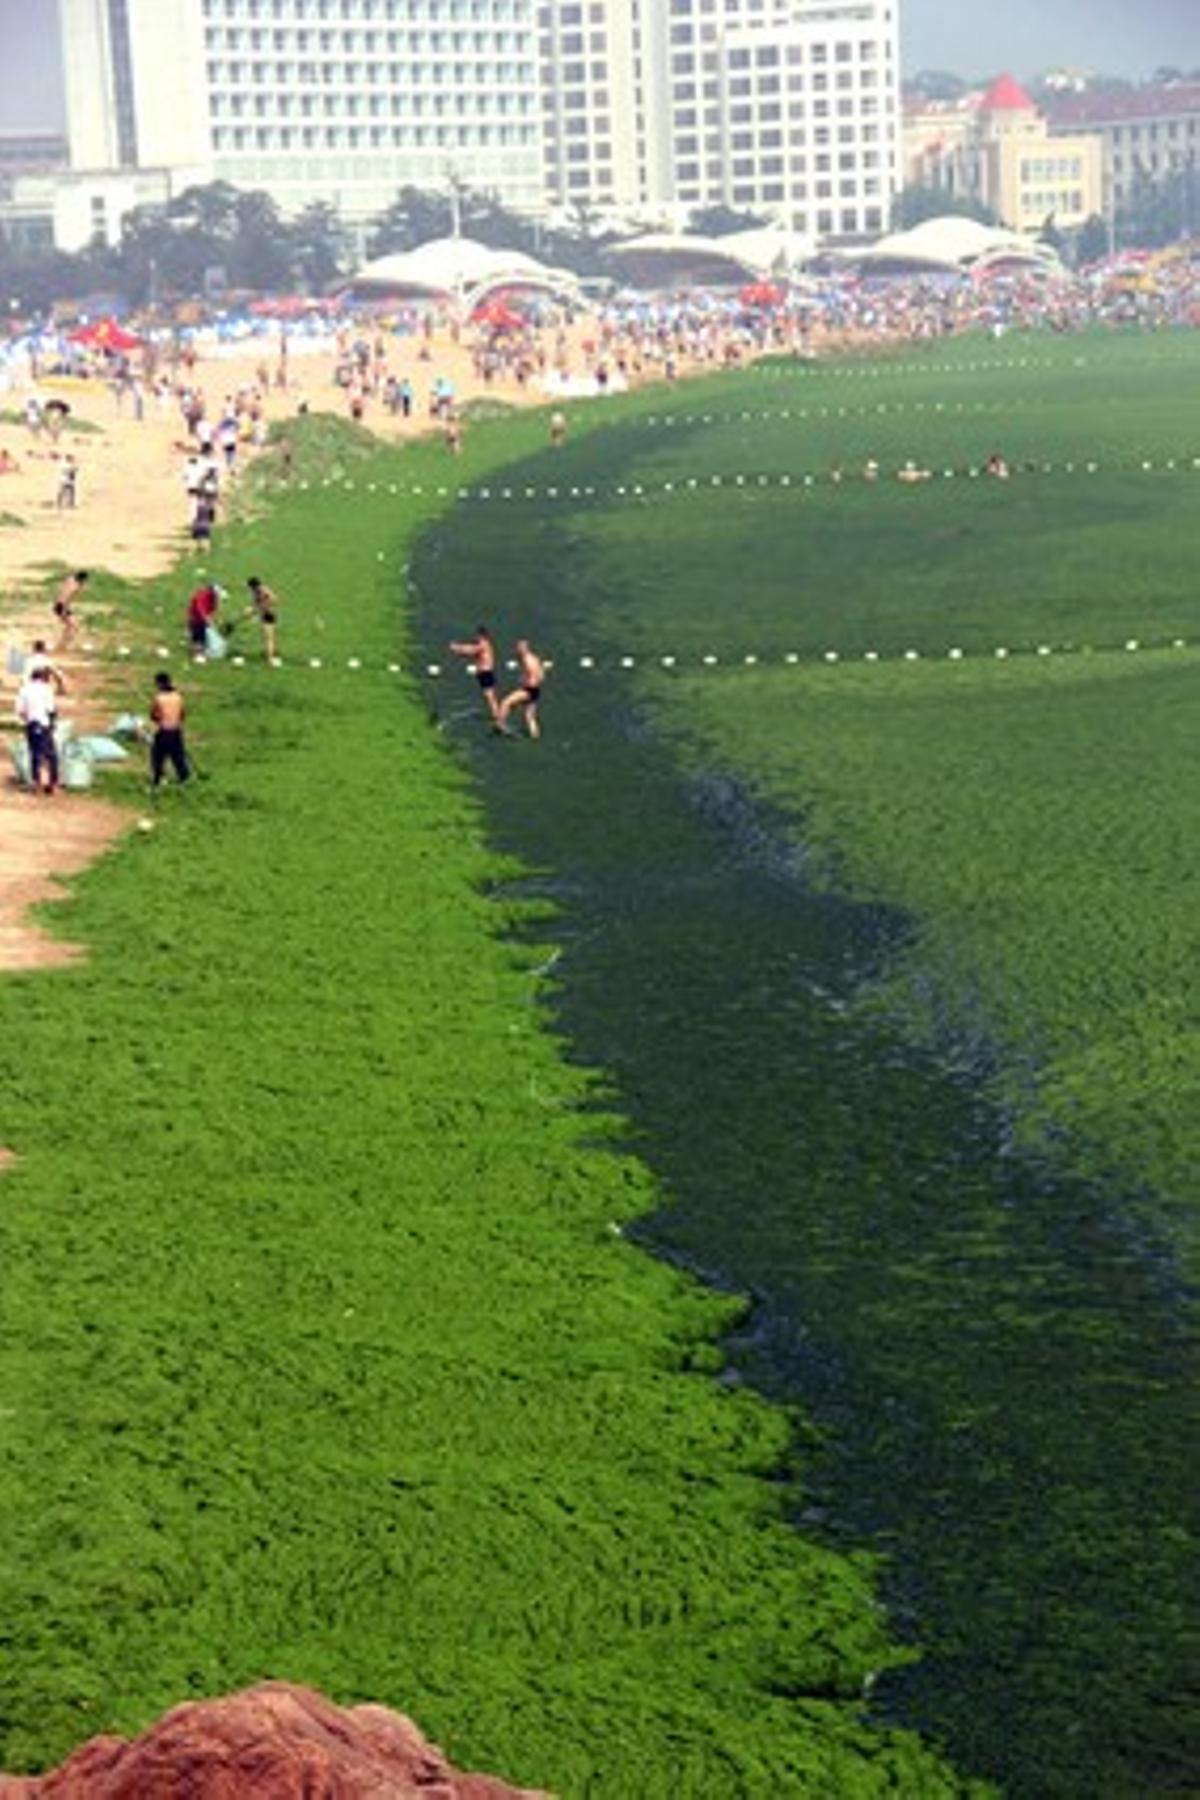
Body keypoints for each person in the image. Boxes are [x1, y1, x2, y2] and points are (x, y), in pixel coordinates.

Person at [15, 665, 59, 794]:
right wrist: (52, 724)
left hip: (31, 724)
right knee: (51, 754)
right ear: (44, 677)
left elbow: (20, 710)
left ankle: (36, 782)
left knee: (34, 753)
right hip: (43, 723)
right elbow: (51, 709)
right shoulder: (46, 689)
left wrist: (27, 720)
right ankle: (52, 783)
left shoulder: (24, 690)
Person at [449, 623, 501, 724]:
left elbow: (471, 650)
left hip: (486, 672)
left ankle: (497, 716)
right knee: (488, 695)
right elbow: (470, 647)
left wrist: (456, 648)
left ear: (481, 635)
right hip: (484, 673)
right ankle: (496, 714)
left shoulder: (483, 644)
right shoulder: (482, 644)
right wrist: (459, 647)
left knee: (489, 695)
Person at [496, 637, 545, 740]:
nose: (517, 649)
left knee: (505, 702)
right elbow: (541, 675)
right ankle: (535, 737)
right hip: (535, 691)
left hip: (529, 690)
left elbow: (533, 681)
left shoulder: (527, 660)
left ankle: (500, 726)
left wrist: (523, 682)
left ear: (525, 648)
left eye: (519, 647)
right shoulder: (534, 658)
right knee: (529, 717)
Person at [149, 671, 189, 786]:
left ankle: (158, 779)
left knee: (157, 757)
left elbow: (153, 716)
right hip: (176, 731)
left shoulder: (159, 698)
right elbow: (182, 714)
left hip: (164, 731)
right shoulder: (178, 696)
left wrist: (159, 717)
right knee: (178, 756)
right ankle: (184, 778)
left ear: (159, 684)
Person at [246, 575, 281, 661]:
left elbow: (275, 600)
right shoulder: (254, 592)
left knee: (269, 637)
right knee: (267, 636)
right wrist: (253, 612)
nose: (249, 589)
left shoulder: (264, 590)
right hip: (263, 614)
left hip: (269, 615)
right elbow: (255, 604)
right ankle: (271, 652)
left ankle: (270, 658)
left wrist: (260, 607)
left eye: (249, 587)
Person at [53, 570, 88, 650]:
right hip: (62, 606)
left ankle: (62, 644)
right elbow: (66, 598)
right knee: (74, 627)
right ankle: (63, 645)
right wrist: (63, 612)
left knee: (70, 626)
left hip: (59, 604)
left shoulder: (71, 579)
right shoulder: (74, 588)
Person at [186, 581, 223, 654]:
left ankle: (202, 648)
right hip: (195, 619)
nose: (216, 596)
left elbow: (215, 608)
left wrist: (215, 618)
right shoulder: (202, 595)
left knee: (204, 637)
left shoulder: (214, 598)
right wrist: (206, 618)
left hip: (203, 620)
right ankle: (196, 650)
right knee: (197, 635)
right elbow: (200, 608)